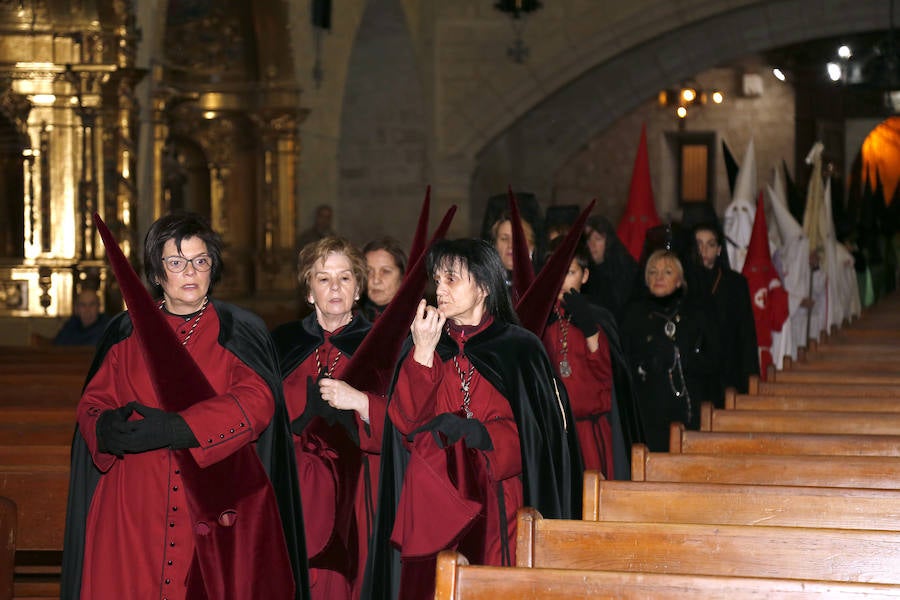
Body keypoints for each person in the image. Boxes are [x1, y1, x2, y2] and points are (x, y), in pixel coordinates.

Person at [62, 213, 305, 599]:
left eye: (201, 260)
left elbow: (258, 401)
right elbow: (93, 402)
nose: (190, 272)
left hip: (211, 506)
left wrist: (179, 428)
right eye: (176, 263)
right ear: (157, 274)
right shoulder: (125, 331)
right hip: (131, 510)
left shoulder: (238, 329)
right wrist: (104, 428)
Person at [366, 238, 580, 600]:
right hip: (437, 502)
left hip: (502, 501)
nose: (440, 290)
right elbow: (405, 426)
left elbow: (538, 437)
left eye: (451, 279)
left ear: (482, 287)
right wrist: (421, 354)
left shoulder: (519, 348)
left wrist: (485, 436)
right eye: (437, 280)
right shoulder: (425, 342)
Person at [271, 237, 385, 600]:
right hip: (292, 490)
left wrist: (362, 403)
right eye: (323, 279)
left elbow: (406, 421)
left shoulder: (382, 346)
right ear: (309, 291)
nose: (335, 287)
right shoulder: (282, 343)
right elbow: (259, 418)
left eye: (345, 278)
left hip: (358, 495)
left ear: (358, 289)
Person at [540, 238, 639, 479]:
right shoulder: (540, 319)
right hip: (554, 430)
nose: (562, 281)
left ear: (584, 276)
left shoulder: (597, 318)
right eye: (556, 272)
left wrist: (589, 329)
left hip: (588, 431)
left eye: (570, 272)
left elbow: (606, 374)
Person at [621, 250, 720, 452]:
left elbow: (714, 360)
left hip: (688, 405)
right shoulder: (632, 314)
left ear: (679, 280)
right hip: (648, 409)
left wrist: (681, 358)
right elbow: (624, 364)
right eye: (653, 272)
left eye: (667, 272)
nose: (658, 278)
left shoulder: (696, 312)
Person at [690, 223, 759, 396]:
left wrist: (751, 378)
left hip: (728, 373)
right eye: (698, 244)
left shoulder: (735, 283)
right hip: (692, 374)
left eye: (710, 244)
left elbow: (746, 334)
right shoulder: (681, 281)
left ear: (719, 250)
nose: (704, 250)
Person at [581, 215, 640, 323]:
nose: (592, 245)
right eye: (589, 239)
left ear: (608, 241)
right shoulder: (583, 271)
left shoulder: (624, 267)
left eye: (598, 239)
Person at [360, 237, 407, 321]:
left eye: (385, 271)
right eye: (369, 271)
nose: (376, 280)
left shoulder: (418, 321)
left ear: (403, 276)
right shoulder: (350, 319)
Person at [490, 214, 535, 287]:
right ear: (495, 245)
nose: (510, 245)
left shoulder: (541, 283)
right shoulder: (485, 284)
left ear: (530, 247)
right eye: (504, 239)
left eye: (517, 239)